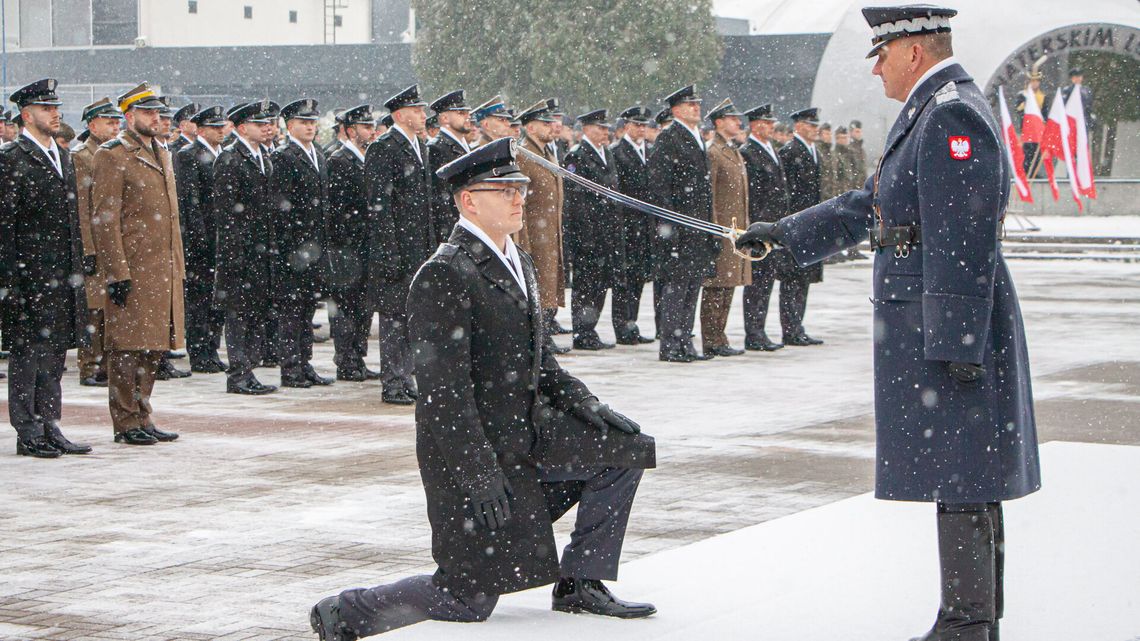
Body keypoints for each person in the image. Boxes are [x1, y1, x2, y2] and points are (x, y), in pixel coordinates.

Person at [736, 6, 1039, 640]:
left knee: (963, 478)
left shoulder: (950, 111)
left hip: (950, 325)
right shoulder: (933, 108)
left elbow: (964, 232)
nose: (875, 69)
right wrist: (785, 237)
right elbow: (868, 206)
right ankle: (970, 621)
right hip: (939, 320)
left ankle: (966, 624)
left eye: (881, 56)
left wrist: (958, 342)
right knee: (963, 479)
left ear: (913, 52)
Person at [309, 138, 656, 640]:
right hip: (476, 456)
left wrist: (586, 403)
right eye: (504, 190)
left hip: (525, 438)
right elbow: (443, 397)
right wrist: (478, 477)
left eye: (520, 189)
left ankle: (582, 581)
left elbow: (542, 361)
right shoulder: (445, 273)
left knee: (623, 449)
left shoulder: (520, 261)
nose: (519, 199)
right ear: (469, 201)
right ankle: (345, 610)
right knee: (464, 600)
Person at [0, 78, 92, 457]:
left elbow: (71, 220)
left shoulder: (63, 156)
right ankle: (28, 429)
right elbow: (5, 228)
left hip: (60, 275)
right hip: (29, 275)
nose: (55, 114)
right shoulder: (12, 159)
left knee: (54, 355)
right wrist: (10, 284)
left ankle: (50, 423)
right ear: (27, 115)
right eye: (46, 108)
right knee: (28, 355)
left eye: (55, 107)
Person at [90, 82, 185, 446]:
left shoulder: (162, 151)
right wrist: (116, 271)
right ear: (129, 117)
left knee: (154, 346)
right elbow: (105, 219)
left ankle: (143, 413)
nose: (156, 118)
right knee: (127, 348)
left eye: (158, 113)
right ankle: (126, 421)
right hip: (133, 267)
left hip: (162, 267)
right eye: (148, 113)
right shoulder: (112, 155)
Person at [363, 85, 434, 405]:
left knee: (411, 316)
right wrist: (388, 252)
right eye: (417, 110)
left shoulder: (420, 145)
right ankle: (392, 381)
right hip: (397, 248)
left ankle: (405, 377)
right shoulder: (385, 147)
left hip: (418, 246)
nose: (423, 115)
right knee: (393, 317)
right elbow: (380, 207)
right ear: (400, 115)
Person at [647, 85, 719, 362]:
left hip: (697, 228)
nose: (696, 108)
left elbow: (704, 191)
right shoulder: (669, 138)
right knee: (676, 290)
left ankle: (685, 343)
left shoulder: (696, 138)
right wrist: (670, 230)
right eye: (690, 104)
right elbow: (660, 189)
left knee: (691, 289)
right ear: (676, 109)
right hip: (680, 231)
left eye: (698, 103)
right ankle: (670, 346)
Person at [268, 98, 335, 389]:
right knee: (292, 311)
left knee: (307, 308)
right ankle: (290, 367)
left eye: (312, 122)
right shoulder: (284, 156)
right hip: (294, 250)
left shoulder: (317, 154)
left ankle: (304, 363)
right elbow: (282, 208)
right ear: (290, 125)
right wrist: (291, 248)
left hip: (314, 247)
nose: (310, 127)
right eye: (303, 123)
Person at [213, 100, 279, 395]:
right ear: (242, 128)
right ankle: (238, 374)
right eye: (259, 124)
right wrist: (235, 255)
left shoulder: (263, 156)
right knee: (238, 316)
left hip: (260, 251)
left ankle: (249, 371)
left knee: (255, 313)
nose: (267, 128)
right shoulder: (230, 159)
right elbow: (227, 215)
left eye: (268, 123)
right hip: (240, 253)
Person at [324, 105, 380, 382]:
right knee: (346, 306)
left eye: (372, 126)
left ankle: (358, 356)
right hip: (347, 248)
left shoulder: (368, 158)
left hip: (366, 245)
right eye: (364, 127)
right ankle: (346, 360)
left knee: (363, 306)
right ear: (349, 131)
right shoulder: (339, 161)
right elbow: (337, 212)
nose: (370, 131)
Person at [563, 110, 625, 351]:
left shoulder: (606, 154)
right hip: (587, 234)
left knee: (600, 284)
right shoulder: (577, 156)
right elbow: (575, 201)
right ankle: (582, 331)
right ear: (586, 129)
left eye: (605, 127)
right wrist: (585, 235)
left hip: (606, 232)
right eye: (599, 127)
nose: (605, 131)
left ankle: (591, 329)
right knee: (586, 285)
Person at [175, 105, 228, 374]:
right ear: (201, 129)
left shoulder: (224, 154)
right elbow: (190, 203)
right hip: (202, 240)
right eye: (215, 127)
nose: (221, 131)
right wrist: (200, 241)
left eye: (222, 126)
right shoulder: (189, 155)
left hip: (221, 238)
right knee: (200, 300)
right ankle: (199, 352)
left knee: (217, 300)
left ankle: (212, 349)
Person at [73, 97, 122, 388]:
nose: (115, 127)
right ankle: (89, 365)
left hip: (111, 239)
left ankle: (104, 364)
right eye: (109, 122)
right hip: (94, 242)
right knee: (94, 308)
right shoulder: (83, 156)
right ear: (92, 125)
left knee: (110, 307)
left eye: (117, 122)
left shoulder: (113, 153)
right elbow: (83, 207)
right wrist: (89, 249)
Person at [512, 99, 569, 355]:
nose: (551, 126)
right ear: (530, 128)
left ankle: (545, 337)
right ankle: (539, 340)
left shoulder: (547, 154)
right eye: (544, 123)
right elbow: (520, 203)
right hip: (534, 237)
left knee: (549, 290)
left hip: (550, 235)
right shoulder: (524, 156)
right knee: (538, 292)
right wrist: (522, 243)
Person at [699, 99, 751, 357]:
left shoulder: (732, 150)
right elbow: (710, 196)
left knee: (728, 284)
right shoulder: (713, 153)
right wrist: (715, 230)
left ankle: (720, 336)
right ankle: (711, 339)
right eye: (732, 119)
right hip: (722, 230)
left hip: (736, 230)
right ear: (719, 122)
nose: (737, 123)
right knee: (715, 286)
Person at [738, 104, 790, 352]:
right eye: (766, 123)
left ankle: (760, 328)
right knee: (757, 283)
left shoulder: (771, 150)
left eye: (771, 122)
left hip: (774, 226)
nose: (771, 126)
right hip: (761, 227)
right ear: (755, 125)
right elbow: (752, 194)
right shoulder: (748, 152)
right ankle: (754, 332)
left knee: (767, 280)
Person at [776, 107, 825, 346]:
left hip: (812, 223)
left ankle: (798, 325)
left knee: (804, 278)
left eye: (816, 125)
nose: (815, 129)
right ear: (798, 127)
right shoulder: (790, 152)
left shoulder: (814, 151)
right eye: (811, 125)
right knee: (792, 278)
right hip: (796, 223)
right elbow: (787, 192)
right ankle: (790, 328)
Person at [610, 106, 656, 346]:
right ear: (626, 126)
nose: (641, 129)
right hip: (627, 224)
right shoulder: (617, 152)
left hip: (644, 225)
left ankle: (632, 323)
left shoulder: (649, 150)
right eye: (636, 124)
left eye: (643, 125)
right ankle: (621, 325)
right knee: (624, 279)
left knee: (637, 278)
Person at [426, 90, 473, 244]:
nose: (467, 117)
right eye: (461, 113)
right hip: (456, 229)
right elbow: (442, 200)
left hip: (470, 223)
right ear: (445, 118)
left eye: (467, 112)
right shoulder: (437, 148)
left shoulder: (466, 147)